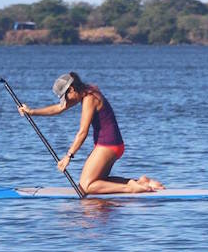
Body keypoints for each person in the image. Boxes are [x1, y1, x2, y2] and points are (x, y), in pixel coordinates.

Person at [18, 72, 164, 195]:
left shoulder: (90, 98)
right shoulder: (86, 92)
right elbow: (58, 108)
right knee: (99, 182)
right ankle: (140, 182)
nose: (66, 101)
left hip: (108, 145)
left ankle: (131, 188)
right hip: (113, 145)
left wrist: (68, 156)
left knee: (85, 187)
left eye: (66, 97)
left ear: (72, 90)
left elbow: (82, 132)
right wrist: (31, 111)